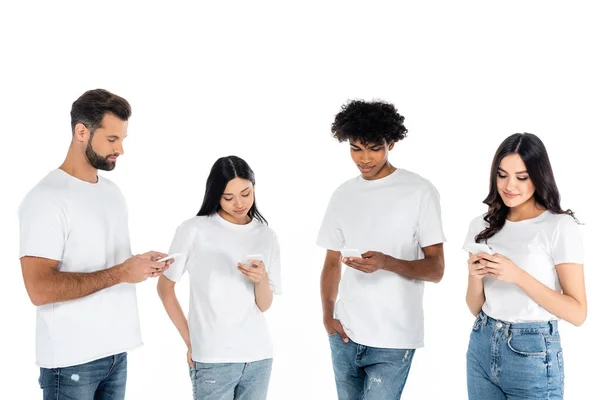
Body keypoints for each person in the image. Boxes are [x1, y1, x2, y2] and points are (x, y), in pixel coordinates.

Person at [18, 89, 171, 399]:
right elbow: (39, 288)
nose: (121, 149)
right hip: (71, 362)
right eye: (112, 139)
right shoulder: (46, 199)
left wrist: (139, 265)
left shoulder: (113, 193)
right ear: (81, 132)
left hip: (116, 354)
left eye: (123, 139)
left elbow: (110, 264)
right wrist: (120, 273)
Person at [317, 99, 446, 399]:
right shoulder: (343, 195)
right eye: (355, 148)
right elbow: (332, 262)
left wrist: (387, 262)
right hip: (345, 335)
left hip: (394, 339)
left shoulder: (419, 191)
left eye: (374, 148)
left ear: (391, 143)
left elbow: (436, 269)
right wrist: (327, 316)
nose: (364, 158)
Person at [464, 133, 586, 399]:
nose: (509, 186)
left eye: (522, 177)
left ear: (538, 177)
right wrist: (474, 276)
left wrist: (517, 275)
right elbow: (476, 307)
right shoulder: (481, 225)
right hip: (482, 344)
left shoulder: (558, 226)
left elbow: (578, 313)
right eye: (502, 174)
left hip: (532, 351)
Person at [157, 155, 282, 400]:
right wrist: (190, 340)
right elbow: (165, 288)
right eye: (228, 197)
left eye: (246, 194)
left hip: (258, 357)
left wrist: (261, 279)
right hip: (213, 358)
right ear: (216, 195)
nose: (239, 203)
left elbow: (264, 305)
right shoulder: (194, 230)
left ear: (254, 187)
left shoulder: (266, 235)